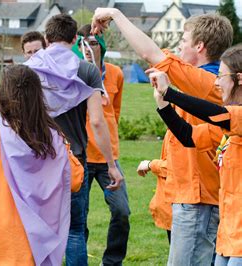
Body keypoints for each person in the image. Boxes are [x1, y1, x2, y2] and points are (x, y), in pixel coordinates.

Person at [92, 9, 233, 265]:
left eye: (183, 40)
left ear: (199, 46)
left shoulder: (208, 81)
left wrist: (115, 14)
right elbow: (189, 136)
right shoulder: (201, 83)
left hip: (197, 202)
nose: (178, 46)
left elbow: (151, 54)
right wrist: (164, 103)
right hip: (191, 199)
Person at [0, 64, 84, 265]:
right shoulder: (54, 138)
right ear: (38, 96)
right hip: (39, 247)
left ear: (2, 95)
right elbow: (75, 179)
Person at [24, 14, 124, 265]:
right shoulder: (87, 71)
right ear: (74, 39)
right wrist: (111, 164)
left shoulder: (30, 68)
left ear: (46, 39)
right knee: (75, 229)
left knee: (37, 227)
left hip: (37, 157)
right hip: (73, 158)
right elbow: (98, 122)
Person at [149, 44, 242, 266]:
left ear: (239, 78)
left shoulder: (233, 118)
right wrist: (163, 106)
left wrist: (170, 93)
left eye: (220, 76)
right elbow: (189, 136)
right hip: (228, 235)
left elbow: (215, 114)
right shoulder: (228, 128)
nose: (216, 82)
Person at [75, 24, 130, 266]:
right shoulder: (75, 73)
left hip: (109, 158)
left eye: (93, 43)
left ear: (102, 46)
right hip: (81, 157)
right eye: (82, 43)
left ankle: (112, 262)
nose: (87, 48)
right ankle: (79, 258)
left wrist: (111, 146)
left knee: (122, 212)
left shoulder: (116, 73)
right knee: (79, 217)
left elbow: (114, 113)